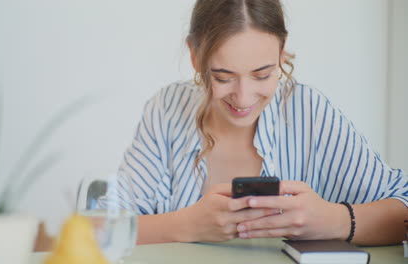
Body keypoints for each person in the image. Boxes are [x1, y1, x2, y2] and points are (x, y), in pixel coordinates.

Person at [117, 0, 408, 246]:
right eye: (223, 77)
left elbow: (403, 205)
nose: (243, 99)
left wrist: (334, 220)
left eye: (262, 75)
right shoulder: (167, 109)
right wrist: (187, 225)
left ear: (282, 52)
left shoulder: (309, 111)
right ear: (194, 56)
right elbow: (101, 227)